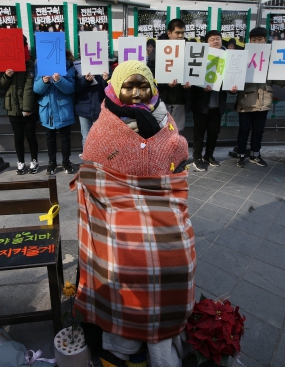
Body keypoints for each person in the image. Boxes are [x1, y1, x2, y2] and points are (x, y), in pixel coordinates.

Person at [71, 60, 194, 366]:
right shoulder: (101, 130)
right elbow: (95, 181)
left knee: (180, 263)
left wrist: (157, 141)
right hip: (117, 223)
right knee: (120, 270)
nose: (137, 93)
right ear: (115, 88)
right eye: (129, 86)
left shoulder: (166, 121)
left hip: (164, 218)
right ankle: (123, 344)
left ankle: (161, 346)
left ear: (153, 88)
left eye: (143, 86)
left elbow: (176, 170)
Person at [231, 27, 285, 168]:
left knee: (259, 130)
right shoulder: (243, 56)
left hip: (264, 100)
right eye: (254, 39)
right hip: (246, 100)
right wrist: (233, 88)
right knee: (244, 129)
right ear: (250, 40)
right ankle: (241, 155)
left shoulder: (271, 57)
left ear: (265, 40)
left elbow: (277, 79)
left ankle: (255, 154)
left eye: (260, 39)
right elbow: (234, 77)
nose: (257, 42)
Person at [0, 35, 39, 175]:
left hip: (29, 108)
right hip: (13, 107)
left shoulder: (30, 63)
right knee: (18, 137)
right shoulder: (5, 62)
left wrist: (27, 108)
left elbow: (29, 87)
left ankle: (34, 160)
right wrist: (7, 76)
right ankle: (20, 162)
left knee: (31, 136)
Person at [33, 49, 76, 175]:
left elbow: (70, 88)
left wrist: (59, 80)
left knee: (65, 138)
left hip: (63, 109)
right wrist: (44, 81)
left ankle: (66, 162)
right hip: (48, 110)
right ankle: (52, 162)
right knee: (49, 138)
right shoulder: (39, 66)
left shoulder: (68, 66)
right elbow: (36, 89)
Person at [190, 30, 226, 171]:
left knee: (214, 132)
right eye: (212, 39)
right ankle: (197, 157)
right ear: (206, 42)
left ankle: (209, 155)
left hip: (217, 105)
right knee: (199, 132)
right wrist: (201, 88)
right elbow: (192, 81)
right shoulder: (200, 57)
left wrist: (233, 87)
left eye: (218, 39)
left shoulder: (227, 57)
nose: (216, 42)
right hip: (202, 104)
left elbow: (231, 78)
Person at [152, 18, 190, 133]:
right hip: (164, 97)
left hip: (181, 98)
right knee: (162, 130)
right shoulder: (159, 47)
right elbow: (151, 70)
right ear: (169, 33)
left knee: (178, 131)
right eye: (177, 33)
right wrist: (165, 82)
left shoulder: (189, 47)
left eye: (182, 33)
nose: (180, 36)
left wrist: (189, 82)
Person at [74, 67, 109, 153]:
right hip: (84, 108)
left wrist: (106, 80)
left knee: (99, 137)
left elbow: (110, 91)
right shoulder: (77, 66)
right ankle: (88, 160)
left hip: (99, 108)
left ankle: (98, 161)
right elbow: (75, 88)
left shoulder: (105, 66)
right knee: (86, 137)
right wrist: (86, 80)